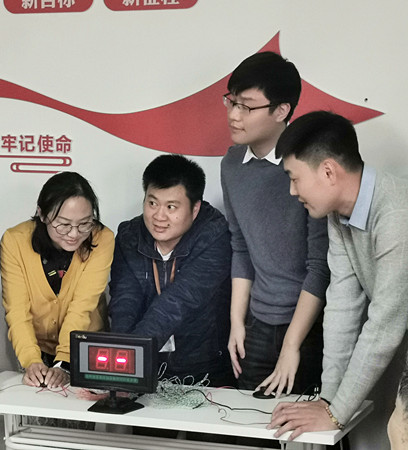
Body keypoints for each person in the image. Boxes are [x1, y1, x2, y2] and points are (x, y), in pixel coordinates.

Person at [268, 111, 408, 446]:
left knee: (400, 431)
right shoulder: (338, 214)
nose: (292, 191)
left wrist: (336, 412)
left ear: (328, 171)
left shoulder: (395, 213)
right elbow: (343, 307)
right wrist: (328, 401)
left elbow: (385, 325)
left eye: (295, 178)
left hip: (395, 329)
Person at [220, 52, 330, 397]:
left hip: (309, 326)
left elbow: (319, 267)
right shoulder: (231, 165)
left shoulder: (309, 169)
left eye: (246, 106)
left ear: (281, 110)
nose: (234, 115)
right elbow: (240, 246)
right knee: (246, 419)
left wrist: (292, 345)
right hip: (257, 322)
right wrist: (237, 322)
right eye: (231, 102)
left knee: (301, 422)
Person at [109, 154, 234, 385]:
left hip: (205, 370)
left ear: (195, 209)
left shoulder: (214, 235)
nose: (159, 216)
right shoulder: (130, 236)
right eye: (152, 203)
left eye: (171, 207)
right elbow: (125, 303)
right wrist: (121, 365)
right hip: (148, 367)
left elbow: (180, 301)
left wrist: (131, 357)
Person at [0, 172, 114, 389]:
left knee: (82, 408)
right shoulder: (15, 241)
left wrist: (64, 362)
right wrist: (31, 361)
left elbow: (82, 307)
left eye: (84, 223)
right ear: (42, 214)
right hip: (36, 348)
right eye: (63, 224)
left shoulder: (102, 238)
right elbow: (17, 310)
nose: (74, 234)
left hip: (86, 346)